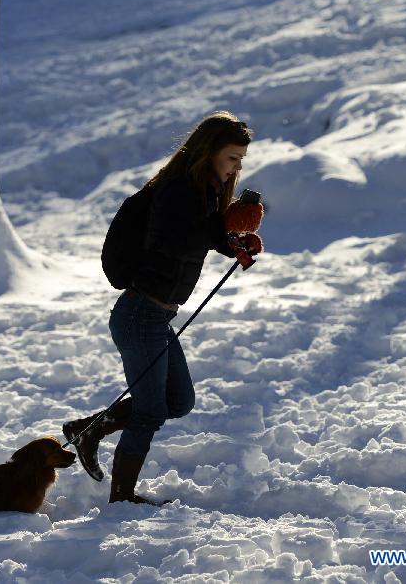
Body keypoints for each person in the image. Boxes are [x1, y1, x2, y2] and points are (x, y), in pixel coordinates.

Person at [63, 111, 264, 505]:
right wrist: (221, 230)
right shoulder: (178, 191)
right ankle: (122, 497)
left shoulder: (203, 192)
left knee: (178, 401)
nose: (237, 167)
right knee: (151, 410)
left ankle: (89, 430)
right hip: (140, 314)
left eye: (241, 160)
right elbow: (170, 243)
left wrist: (233, 242)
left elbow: (196, 239)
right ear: (208, 153)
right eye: (232, 158)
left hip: (156, 315)